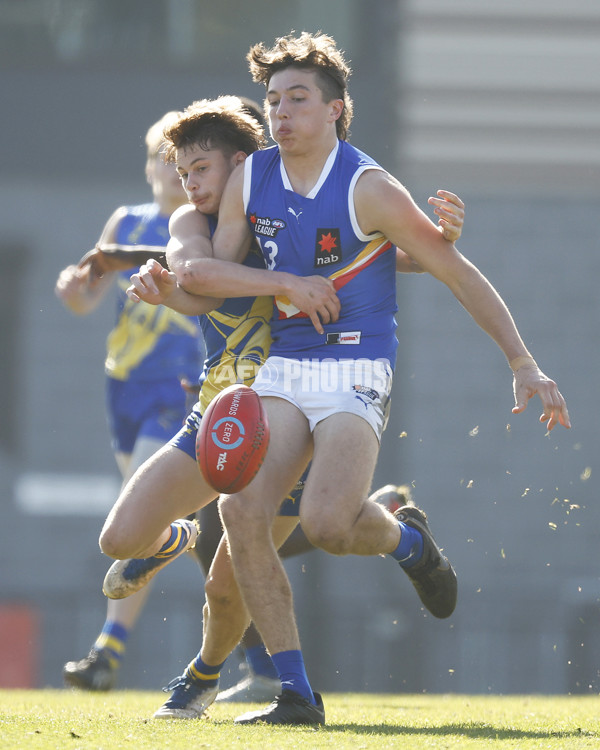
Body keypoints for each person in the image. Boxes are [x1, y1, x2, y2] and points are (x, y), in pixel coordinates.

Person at [128, 32, 569, 726]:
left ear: (337, 109)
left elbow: (456, 270)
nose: (280, 112)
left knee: (329, 523)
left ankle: (408, 541)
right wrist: (174, 286)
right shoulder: (250, 178)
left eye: (298, 99)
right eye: (272, 100)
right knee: (238, 510)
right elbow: (212, 279)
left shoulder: (369, 186)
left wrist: (524, 363)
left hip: (356, 362)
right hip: (285, 362)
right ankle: (296, 694)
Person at [99, 94, 466, 716]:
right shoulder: (192, 224)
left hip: (285, 414)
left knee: (231, 576)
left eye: (201, 170)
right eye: (182, 173)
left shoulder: (283, 219)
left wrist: (439, 239)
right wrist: (271, 284)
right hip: (217, 414)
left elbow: (390, 256)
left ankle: (206, 681)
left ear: (242, 166)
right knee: (120, 539)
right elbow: (196, 276)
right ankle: (180, 542)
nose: (189, 185)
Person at [55, 112, 205, 691]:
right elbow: (88, 295)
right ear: (148, 167)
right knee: (175, 526)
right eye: (161, 159)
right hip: (125, 384)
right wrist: (73, 290)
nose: (170, 172)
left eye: (182, 161)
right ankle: (259, 656)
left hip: (180, 386)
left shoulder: (201, 228)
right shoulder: (127, 220)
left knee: (139, 508)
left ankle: (105, 649)